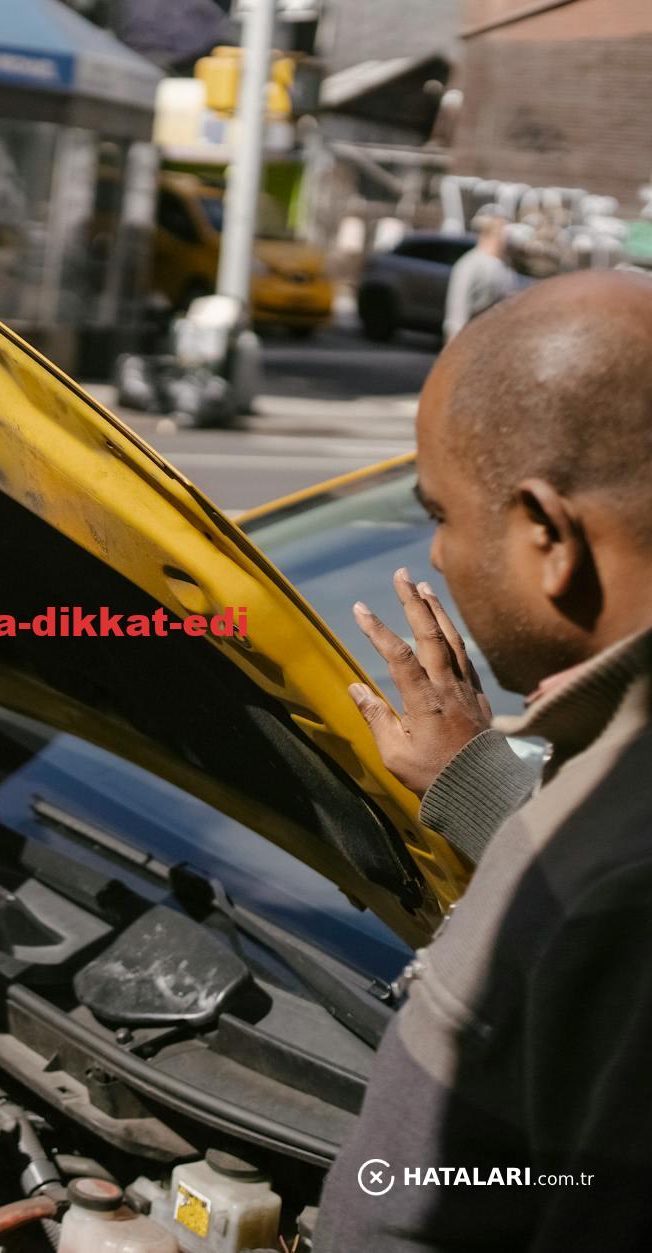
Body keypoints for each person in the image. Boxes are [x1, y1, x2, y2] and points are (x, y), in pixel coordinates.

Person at [320, 270, 652, 1250]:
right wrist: (483, 778)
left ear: (546, 533)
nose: (434, 559)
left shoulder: (621, 883)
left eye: (441, 513)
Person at [442, 212, 515, 341]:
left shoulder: (505, 267)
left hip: (494, 340)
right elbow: (457, 310)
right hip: (471, 339)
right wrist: (455, 344)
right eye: (503, 236)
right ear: (491, 235)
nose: (507, 241)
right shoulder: (470, 264)